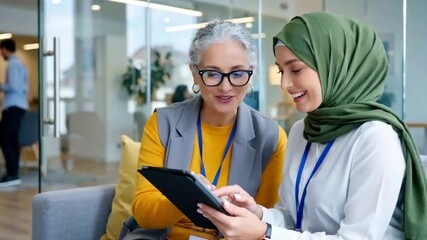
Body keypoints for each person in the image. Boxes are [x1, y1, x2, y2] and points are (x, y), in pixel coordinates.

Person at [198, 12, 427, 239]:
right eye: (281, 71)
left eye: (296, 69)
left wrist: (265, 233)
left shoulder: (376, 138)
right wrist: (256, 213)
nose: (285, 84)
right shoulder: (302, 130)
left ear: (335, 66)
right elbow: (291, 217)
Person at [131, 20, 287, 240]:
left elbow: (265, 221)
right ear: (195, 74)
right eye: (212, 74)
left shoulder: (271, 137)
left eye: (237, 73)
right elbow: (144, 214)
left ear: (251, 73)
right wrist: (187, 196)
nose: (225, 86)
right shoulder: (162, 123)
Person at [0, 39, 29, 187]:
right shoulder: (20, 64)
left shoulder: (12, 64)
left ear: (5, 49)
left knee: (6, 139)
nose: (1, 54)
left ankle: (12, 174)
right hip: (18, 106)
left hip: (13, 106)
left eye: (1, 50)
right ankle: (13, 173)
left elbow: (14, 87)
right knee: (11, 140)